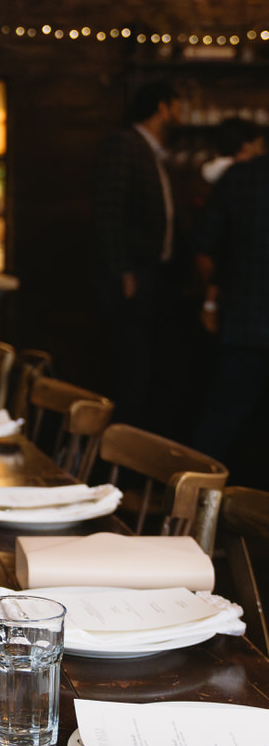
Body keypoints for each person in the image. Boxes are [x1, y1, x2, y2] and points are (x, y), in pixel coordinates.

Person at [91, 82, 183, 429]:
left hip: (154, 271)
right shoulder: (123, 143)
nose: (181, 114)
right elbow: (109, 212)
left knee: (149, 365)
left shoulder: (152, 150)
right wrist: (124, 271)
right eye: (177, 105)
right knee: (130, 365)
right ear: (162, 107)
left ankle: (139, 442)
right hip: (130, 274)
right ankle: (122, 447)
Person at [193, 147, 269, 475]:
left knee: (221, 422)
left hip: (244, 318)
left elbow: (204, 243)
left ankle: (195, 497)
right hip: (244, 320)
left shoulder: (241, 176)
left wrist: (213, 295)